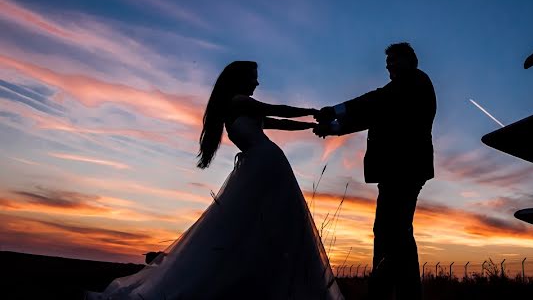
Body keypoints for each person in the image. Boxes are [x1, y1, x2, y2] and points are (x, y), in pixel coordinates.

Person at [87, 61, 342, 300]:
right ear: (241, 81)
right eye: (253, 79)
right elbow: (276, 110)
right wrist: (313, 112)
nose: (257, 84)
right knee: (265, 220)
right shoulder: (239, 101)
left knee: (259, 222)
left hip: (266, 164)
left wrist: (311, 126)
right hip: (265, 164)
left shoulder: (241, 109)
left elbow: (280, 122)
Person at [315, 42, 436, 300]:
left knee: (393, 232)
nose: (389, 66)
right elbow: (373, 115)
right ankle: (397, 292)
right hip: (396, 172)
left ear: (410, 60)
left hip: (405, 170)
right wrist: (334, 127)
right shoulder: (400, 91)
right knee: (393, 232)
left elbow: (376, 101)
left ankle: (388, 292)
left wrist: (336, 111)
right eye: (387, 62)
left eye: (394, 60)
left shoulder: (414, 82)